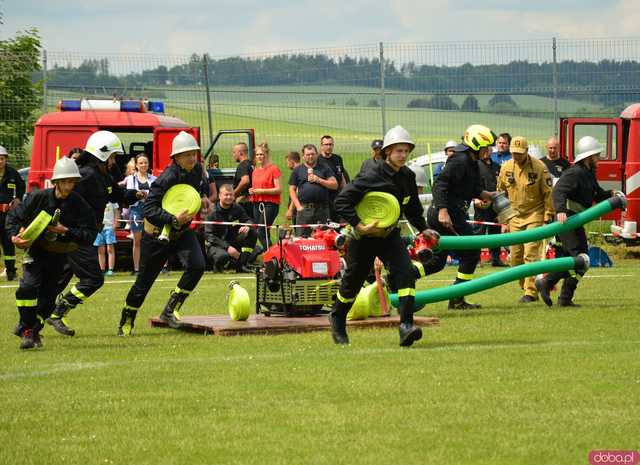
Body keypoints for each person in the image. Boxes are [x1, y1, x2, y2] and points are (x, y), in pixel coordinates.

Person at [329, 125, 434, 347]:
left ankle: (406, 326)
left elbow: (412, 207)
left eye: (406, 151)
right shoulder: (371, 174)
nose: (403, 155)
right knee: (352, 283)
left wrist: (424, 228)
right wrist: (359, 226)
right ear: (387, 152)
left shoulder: (407, 176)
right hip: (364, 238)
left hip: (390, 236)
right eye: (398, 151)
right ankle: (337, 318)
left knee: (406, 272)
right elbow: (341, 201)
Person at [46, 131, 142, 337]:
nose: (115, 161)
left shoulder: (102, 176)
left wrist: (137, 194)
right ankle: (57, 311)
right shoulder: (86, 176)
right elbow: (65, 199)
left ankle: (34, 325)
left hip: (84, 234)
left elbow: (117, 194)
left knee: (58, 279)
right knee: (93, 279)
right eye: (113, 156)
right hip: (75, 235)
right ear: (102, 155)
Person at [117, 131, 210, 336]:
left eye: (193, 153)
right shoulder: (166, 177)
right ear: (176, 157)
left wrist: (202, 199)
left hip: (181, 233)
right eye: (187, 155)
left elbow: (190, 195)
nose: (192, 158)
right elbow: (149, 209)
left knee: (197, 266)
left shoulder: (196, 172)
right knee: (144, 283)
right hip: (156, 235)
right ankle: (127, 319)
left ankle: (170, 310)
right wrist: (172, 219)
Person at [7, 157, 97, 349]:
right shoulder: (38, 197)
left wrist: (66, 231)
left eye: (72, 181)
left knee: (48, 299)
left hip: (60, 255)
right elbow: (14, 216)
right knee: (27, 288)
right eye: (64, 181)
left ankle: (32, 331)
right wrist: (15, 236)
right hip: (36, 250)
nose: (68, 185)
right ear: (56, 181)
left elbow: (89, 234)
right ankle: (26, 329)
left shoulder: (80, 204)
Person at [535, 136, 618, 307]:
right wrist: (560, 211)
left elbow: (596, 194)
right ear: (588, 157)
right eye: (596, 155)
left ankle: (564, 297)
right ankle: (547, 282)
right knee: (580, 259)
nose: (599, 159)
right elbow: (558, 191)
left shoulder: (588, 174)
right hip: (568, 222)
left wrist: (611, 195)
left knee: (581, 261)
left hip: (576, 222)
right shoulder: (574, 173)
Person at [425, 124, 499, 309]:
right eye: (486, 147)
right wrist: (443, 210)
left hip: (452, 213)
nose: (489, 151)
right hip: (446, 214)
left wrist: (486, 195)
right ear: (475, 145)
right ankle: (457, 298)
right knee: (472, 252)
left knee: (437, 261)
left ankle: (404, 276)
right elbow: (440, 185)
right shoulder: (459, 161)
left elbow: (470, 187)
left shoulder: (471, 162)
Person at [497, 136, 554, 303]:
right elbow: (500, 194)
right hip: (514, 216)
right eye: (514, 153)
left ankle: (531, 292)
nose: (517, 157)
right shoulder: (506, 168)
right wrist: (504, 220)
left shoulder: (539, 168)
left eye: (520, 154)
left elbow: (548, 193)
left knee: (530, 254)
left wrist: (548, 215)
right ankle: (525, 286)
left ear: (527, 151)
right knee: (515, 257)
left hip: (534, 215)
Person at [204, 184, 258, 273]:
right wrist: (227, 247)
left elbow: (248, 220)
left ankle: (241, 265)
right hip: (216, 245)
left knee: (252, 232)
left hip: (233, 241)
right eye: (226, 195)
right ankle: (217, 266)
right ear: (220, 196)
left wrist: (247, 226)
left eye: (231, 195)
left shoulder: (237, 208)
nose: (229, 197)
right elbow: (208, 235)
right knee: (223, 256)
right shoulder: (212, 211)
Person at [288, 144, 338, 237]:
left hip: (322, 210)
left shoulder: (324, 168)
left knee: (324, 238)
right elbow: (292, 189)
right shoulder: (297, 170)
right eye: (308, 154)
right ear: (303, 156)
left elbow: (334, 185)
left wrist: (319, 180)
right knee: (302, 239)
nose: (310, 156)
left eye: (312, 154)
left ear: (316, 154)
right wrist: (298, 206)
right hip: (304, 210)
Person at [475, 142, 507, 267]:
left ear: (491, 150)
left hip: (495, 205)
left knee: (495, 231)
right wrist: (475, 199)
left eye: (488, 149)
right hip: (481, 205)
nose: (486, 151)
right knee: (479, 232)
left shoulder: (497, 167)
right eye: (484, 149)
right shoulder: (475, 166)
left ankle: (496, 258)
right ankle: (476, 259)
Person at [123, 153, 156, 275]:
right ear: (136, 165)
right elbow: (131, 195)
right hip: (136, 210)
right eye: (141, 163)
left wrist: (147, 196)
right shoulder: (131, 179)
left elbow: (155, 195)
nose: (143, 165)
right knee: (137, 241)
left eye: (145, 162)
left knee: (152, 239)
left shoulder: (154, 179)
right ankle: (137, 268)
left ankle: (151, 266)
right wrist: (140, 195)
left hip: (150, 209)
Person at [249, 142, 281, 251]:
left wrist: (261, 191)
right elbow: (256, 188)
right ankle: (271, 255)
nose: (259, 157)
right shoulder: (255, 171)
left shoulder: (273, 169)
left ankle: (271, 254)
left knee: (261, 231)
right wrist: (252, 191)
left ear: (266, 155)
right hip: (257, 203)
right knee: (261, 231)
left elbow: (278, 189)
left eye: (261, 154)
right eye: (257, 155)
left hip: (270, 204)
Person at [0, 145, 26, 281]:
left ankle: (11, 272)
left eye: (2, 158)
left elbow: (22, 186)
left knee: (8, 243)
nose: (0, 161)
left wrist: (18, 198)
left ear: (6, 159)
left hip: (7, 215)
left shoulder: (12, 173)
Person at [318, 135, 349, 221]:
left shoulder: (337, 158)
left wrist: (345, 193)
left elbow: (341, 176)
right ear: (321, 146)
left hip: (337, 197)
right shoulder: (317, 160)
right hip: (324, 199)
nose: (329, 147)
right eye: (326, 144)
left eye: (331, 144)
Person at [94, 202, 119, 276]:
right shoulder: (96, 200)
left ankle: (110, 269)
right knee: (100, 250)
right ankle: (102, 270)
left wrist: (114, 226)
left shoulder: (113, 201)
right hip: (99, 228)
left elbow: (117, 213)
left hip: (109, 227)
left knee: (110, 249)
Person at [232, 142, 253, 217]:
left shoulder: (242, 165)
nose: (233, 155)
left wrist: (234, 194)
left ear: (240, 153)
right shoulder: (251, 164)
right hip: (253, 201)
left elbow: (245, 181)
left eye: (234, 152)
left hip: (245, 202)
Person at [285, 151, 300, 224]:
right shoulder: (303, 169)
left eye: (287, 162)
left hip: (297, 208)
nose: (287, 165)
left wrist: (290, 209)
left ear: (291, 161)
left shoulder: (296, 172)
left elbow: (296, 191)